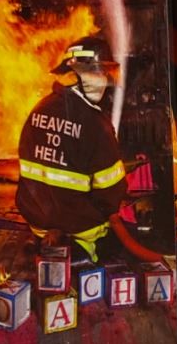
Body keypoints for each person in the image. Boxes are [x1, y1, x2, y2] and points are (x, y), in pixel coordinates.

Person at [15, 38, 128, 263]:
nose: (102, 80)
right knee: (119, 246)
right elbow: (111, 193)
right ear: (73, 75)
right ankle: (86, 260)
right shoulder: (96, 124)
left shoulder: (39, 109)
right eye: (94, 72)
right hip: (81, 229)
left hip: (37, 223)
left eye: (103, 73)